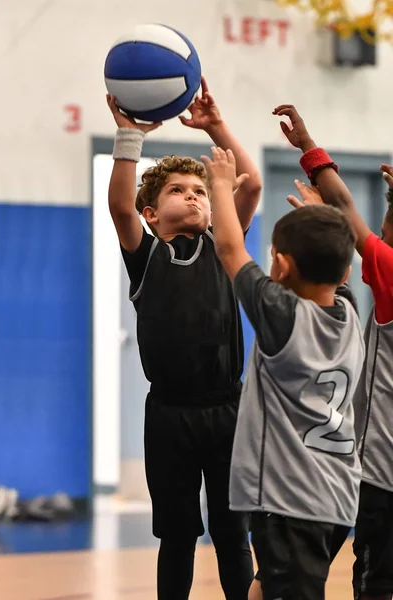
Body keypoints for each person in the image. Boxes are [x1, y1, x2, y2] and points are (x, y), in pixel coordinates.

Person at [106, 78, 262, 600]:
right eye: (177, 191)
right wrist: (129, 136)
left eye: (199, 191)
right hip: (169, 415)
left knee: (231, 534)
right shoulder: (146, 254)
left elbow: (251, 184)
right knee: (176, 537)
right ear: (153, 213)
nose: (193, 196)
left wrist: (216, 126)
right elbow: (121, 208)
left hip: (227, 410)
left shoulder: (225, 246)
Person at [201, 144, 365, 600]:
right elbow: (340, 276)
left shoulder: (282, 315)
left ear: (282, 265)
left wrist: (218, 183)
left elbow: (230, 247)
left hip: (290, 500)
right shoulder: (348, 314)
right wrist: (324, 219)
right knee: (267, 585)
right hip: (334, 497)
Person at [276, 103, 393, 600]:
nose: (382, 224)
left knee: (374, 587)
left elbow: (345, 211)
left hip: (383, 479)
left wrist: (308, 148)